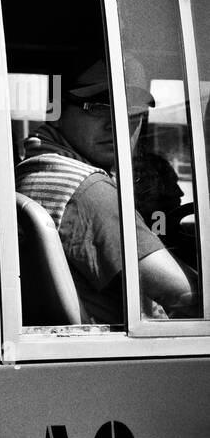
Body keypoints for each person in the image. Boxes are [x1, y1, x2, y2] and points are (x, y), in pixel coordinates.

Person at [15, 58, 195, 323]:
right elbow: (184, 293)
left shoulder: (33, 169)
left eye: (132, 111)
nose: (118, 123)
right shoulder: (87, 189)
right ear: (58, 109)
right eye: (99, 107)